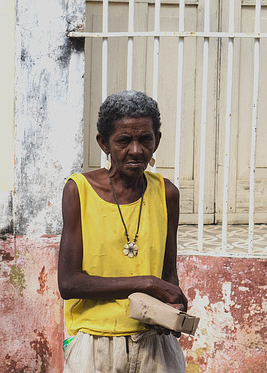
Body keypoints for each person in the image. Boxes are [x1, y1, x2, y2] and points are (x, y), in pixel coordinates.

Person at [58, 90, 187, 373]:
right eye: (123, 141)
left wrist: (172, 303)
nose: (136, 150)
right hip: (95, 346)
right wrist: (147, 284)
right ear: (103, 143)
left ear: (158, 140)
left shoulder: (166, 194)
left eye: (146, 139)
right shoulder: (79, 190)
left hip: (155, 347)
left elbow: (168, 275)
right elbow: (69, 284)